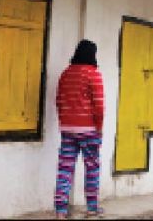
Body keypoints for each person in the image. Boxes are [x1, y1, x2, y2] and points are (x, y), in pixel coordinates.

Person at [54, 40, 104, 219]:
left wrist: (64, 122)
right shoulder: (93, 74)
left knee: (65, 168)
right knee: (92, 167)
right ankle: (92, 207)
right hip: (88, 129)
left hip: (67, 128)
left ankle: (60, 211)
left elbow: (59, 100)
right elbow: (99, 106)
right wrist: (99, 128)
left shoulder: (65, 74)